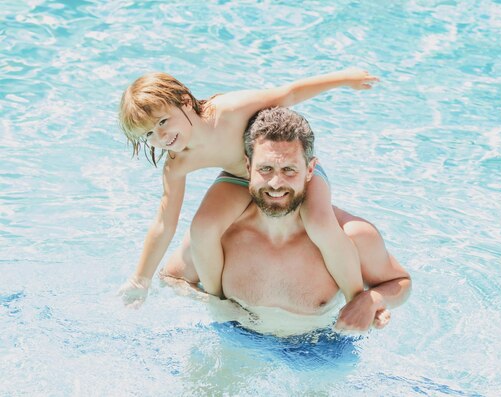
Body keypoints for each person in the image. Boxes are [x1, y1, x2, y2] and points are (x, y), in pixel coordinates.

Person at [117, 69, 380, 307]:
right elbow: (164, 223)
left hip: (290, 173)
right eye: (148, 134)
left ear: (185, 101)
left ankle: (355, 299)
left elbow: (289, 93)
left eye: (163, 121)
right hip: (240, 178)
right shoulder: (177, 163)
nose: (161, 137)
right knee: (203, 228)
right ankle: (218, 301)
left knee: (320, 224)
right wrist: (141, 280)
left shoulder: (229, 110)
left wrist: (345, 79)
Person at [161, 107, 412, 332]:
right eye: (266, 169)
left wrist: (372, 301)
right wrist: (217, 306)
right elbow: (171, 278)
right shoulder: (221, 233)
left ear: (310, 170)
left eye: (289, 170)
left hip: (319, 348)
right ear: (247, 167)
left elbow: (401, 283)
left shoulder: (351, 235)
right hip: (239, 338)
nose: (276, 183)